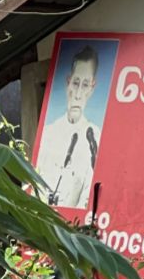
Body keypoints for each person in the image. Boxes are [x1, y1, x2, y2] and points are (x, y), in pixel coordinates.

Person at [36, 45, 101, 209]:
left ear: (92, 88)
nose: (78, 94)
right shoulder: (48, 133)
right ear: (68, 82)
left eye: (85, 85)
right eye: (76, 83)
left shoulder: (94, 137)